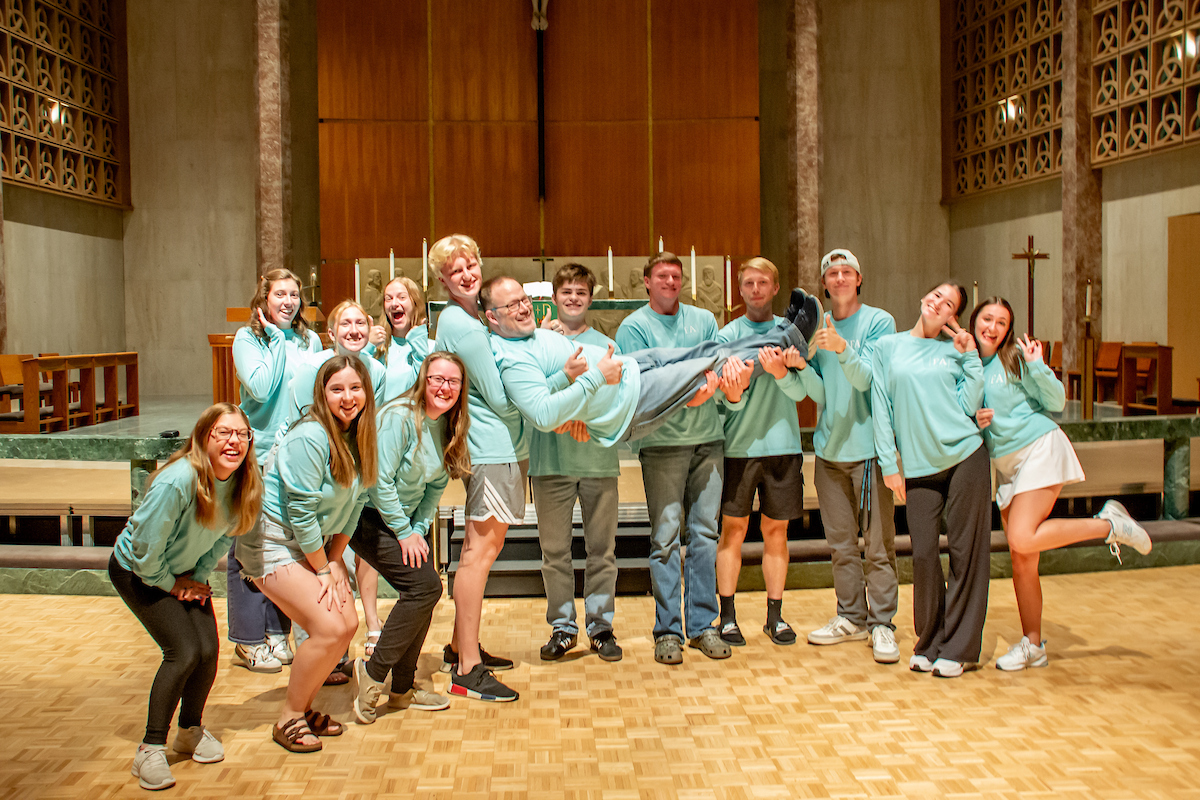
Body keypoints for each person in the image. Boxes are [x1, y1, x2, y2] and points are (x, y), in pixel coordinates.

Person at [484, 256, 820, 665]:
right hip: (628, 401)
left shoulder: (540, 336)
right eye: (512, 304)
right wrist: (590, 381)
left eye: (524, 298)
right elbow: (542, 410)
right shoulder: (512, 355)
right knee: (705, 366)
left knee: (707, 352)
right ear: (490, 317)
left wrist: (580, 378)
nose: (522, 307)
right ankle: (789, 338)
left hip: (628, 377)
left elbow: (563, 384)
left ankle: (683, 625)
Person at [970, 297, 1152, 671]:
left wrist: (1038, 365)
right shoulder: (967, 363)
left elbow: (1055, 400)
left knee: (1021, 537)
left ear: (1008, 330)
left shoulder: (1015, 359)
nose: (992, 327)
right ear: (973, 321)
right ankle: (1033, 645)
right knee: (1023, 561)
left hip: (1038, 449)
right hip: (1005, 467)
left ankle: (1110, 525)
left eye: (1001, 322)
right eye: (987, 318)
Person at [110, 403, 262, 790]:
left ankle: (190, 731)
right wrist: (173, 585)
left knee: (208, 652)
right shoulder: (178, 480)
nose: (234, 441)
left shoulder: (242, 481)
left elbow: (218, 541)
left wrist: (193, 579)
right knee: (183, 652)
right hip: (137, 569)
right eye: (223, 433)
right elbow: (145, 550)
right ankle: (150, 748)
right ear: (203, 437)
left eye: (241, 433)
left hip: (179, 571)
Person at [235, 356, 376, 752]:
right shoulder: (310, 436)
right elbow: (298, 512)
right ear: (321, 393)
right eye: (337, 389)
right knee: (330, 627)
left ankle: (306, 707)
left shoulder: (360, 436)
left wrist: (334, 561)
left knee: (347, 626)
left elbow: (355, 505)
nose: (347, 398)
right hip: (272, 542)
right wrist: (323, 569)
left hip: (311, 545)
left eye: (355, 387)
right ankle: (289, 717)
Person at [871, 283, 989, 679]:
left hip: (965, 458)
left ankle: (960, 647)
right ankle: (930, 641)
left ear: (953, 316)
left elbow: (968, 405)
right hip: (919, 467)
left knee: (964, 555)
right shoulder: (888, 347)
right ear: (924, 297)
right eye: (936, 295)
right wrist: (890, 464)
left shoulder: (954, 351)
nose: (938, 303)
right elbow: (881, 406)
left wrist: (968, 351)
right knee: (923, 555)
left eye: (949, 304)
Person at [430, 234, 526, 702]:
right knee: (479, 555)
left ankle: (458, 647)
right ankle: (467, 668)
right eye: (455, 271)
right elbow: (502, 398)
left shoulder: (468, 317)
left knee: (476, 548)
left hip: (488, 445)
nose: (466, 275)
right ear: (444, 281)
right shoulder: (464, 325)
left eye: (471, 265)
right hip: (490, 445)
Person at [350, 353, 471, 720]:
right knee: (426, 588)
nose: (444, 388)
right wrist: (404, 533)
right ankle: (372, 675)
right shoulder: (399, 417)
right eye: (436, 379)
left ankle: (402, 690)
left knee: (422, 590)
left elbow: (435, 486)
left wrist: (417, 530)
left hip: (404, 523)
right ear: (423, 380)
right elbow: (378, 481)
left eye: (452, 382)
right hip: (366, 517)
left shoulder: (448, 424)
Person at [797, 250, 901, 664]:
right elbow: (819, 392)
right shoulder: (816, 325)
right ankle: (851, 617)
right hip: (830, 451)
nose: (839, 278)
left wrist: (841, 348)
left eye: (846, 272)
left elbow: (869, 381)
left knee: (878, 546)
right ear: (824, 283)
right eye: (832, 273)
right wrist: (798, 367)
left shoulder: (879, 322)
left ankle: (883, 625)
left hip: (870, 451)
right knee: (841, 545)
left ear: (859, 279)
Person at [529, 264, 625, 663]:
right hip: (550, 460)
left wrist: (586, 419)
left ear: (590, 297)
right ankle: (563, 627)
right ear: (554, 297)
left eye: (580, 292)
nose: (572, 298)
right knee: (555, 552)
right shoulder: (536, 343)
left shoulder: (606, 345)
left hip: (597, 459)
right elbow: (529, 393)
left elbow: (618, 400)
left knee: (602, 551)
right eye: (565, 291)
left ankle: (601, 626)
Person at [228, 269, 320, 674]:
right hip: (259, 451)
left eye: (294, 294)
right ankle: (249, 639)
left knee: (286, 543)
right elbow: (262, 389)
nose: (289, 301)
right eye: (280, 294)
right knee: (249, 545)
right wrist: (278, 341)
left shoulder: (311, 339)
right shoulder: (248, 339)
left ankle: (277, 631)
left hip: (296, 453)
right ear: (263, 297)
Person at [714, 257, 809, 647]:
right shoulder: (727, 336)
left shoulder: (793, 334)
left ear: (774, 288)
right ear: (740, 290)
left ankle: (775, 617)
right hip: (739, 447)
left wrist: (782, 374)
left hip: (784, 446)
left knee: (776, 532)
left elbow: (803, 392)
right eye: (749, 283)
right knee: (732, 532)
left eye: (763, 283)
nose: (756, 289)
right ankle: (727, 618)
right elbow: (725, 401)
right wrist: (740, 390)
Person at [357, 275, 431, 661]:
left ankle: (406, 630)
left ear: (415, 302)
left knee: (415, 560)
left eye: (401, 296)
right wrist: (371, 348)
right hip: (379, 443)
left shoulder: (428, 346)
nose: (393, 302)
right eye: (388, 298)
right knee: (368, 550)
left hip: (415, 449)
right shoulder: (380, 348)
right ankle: (372, 623)